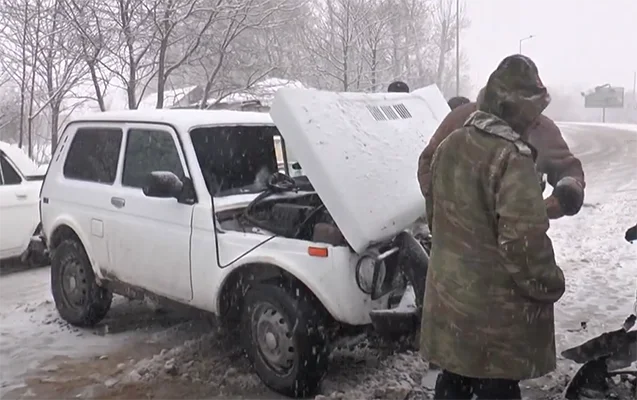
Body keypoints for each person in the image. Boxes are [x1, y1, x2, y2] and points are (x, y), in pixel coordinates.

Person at [420, 54, 566, 400]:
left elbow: (436, 220)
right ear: (520, 109)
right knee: (495, 388)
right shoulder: (512, 159)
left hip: (451, 307)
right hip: (494, 326)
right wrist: (551, 283)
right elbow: (524, 247)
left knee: (453, 382)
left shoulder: (449, 145)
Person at [417, 83, 585, 221]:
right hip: (460, 234)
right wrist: (442, 203)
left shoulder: (540, 128)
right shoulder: (460, 119)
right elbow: (428, 161)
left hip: (519, 231)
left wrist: (565, 196)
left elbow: (567, 167)